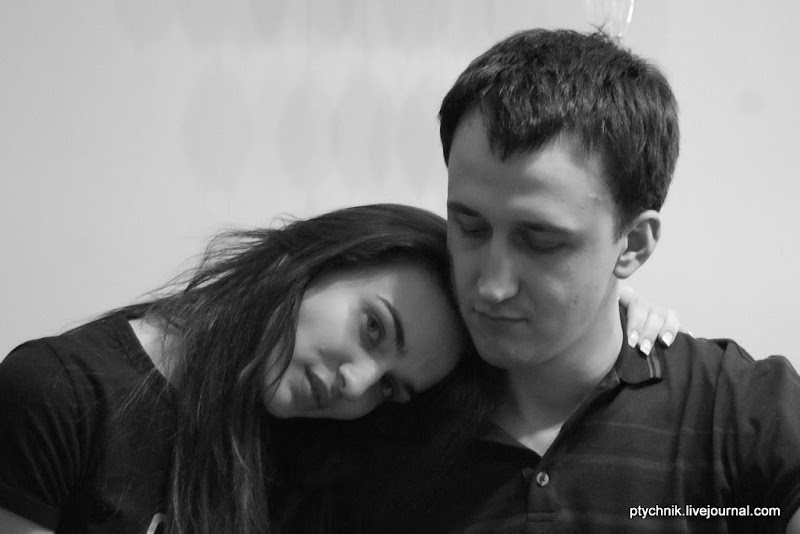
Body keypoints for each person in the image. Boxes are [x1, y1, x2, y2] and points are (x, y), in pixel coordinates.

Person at [0, 203, 677, 534]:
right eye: (373, 327)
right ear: (317, 261)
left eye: (391, 388)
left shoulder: (315, 450)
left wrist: (604, 312)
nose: (355, 385)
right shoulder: (59, 397)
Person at [376, 28, 800, 533]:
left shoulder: (736, 406)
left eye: (541, 242)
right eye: (469, 226)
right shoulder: (392, 402)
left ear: (633, 244)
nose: (491, 286)